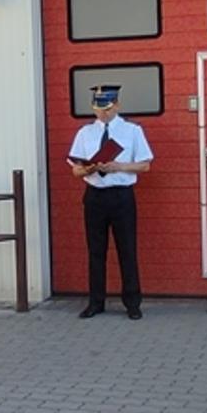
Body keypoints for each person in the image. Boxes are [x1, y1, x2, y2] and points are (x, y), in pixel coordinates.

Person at [68, 84, 155, 320]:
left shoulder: (132, 130)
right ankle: (96, 302)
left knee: (127, 249)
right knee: (96, 251)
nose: (102, 113)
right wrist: (88, 168)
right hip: (95, 194)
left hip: (121, 195)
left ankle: (133, 302)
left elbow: (145, 164)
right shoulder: (85, 133)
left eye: (107, 108)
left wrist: (119, 166)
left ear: (116, 105)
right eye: (98, 108)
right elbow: (75, 169)